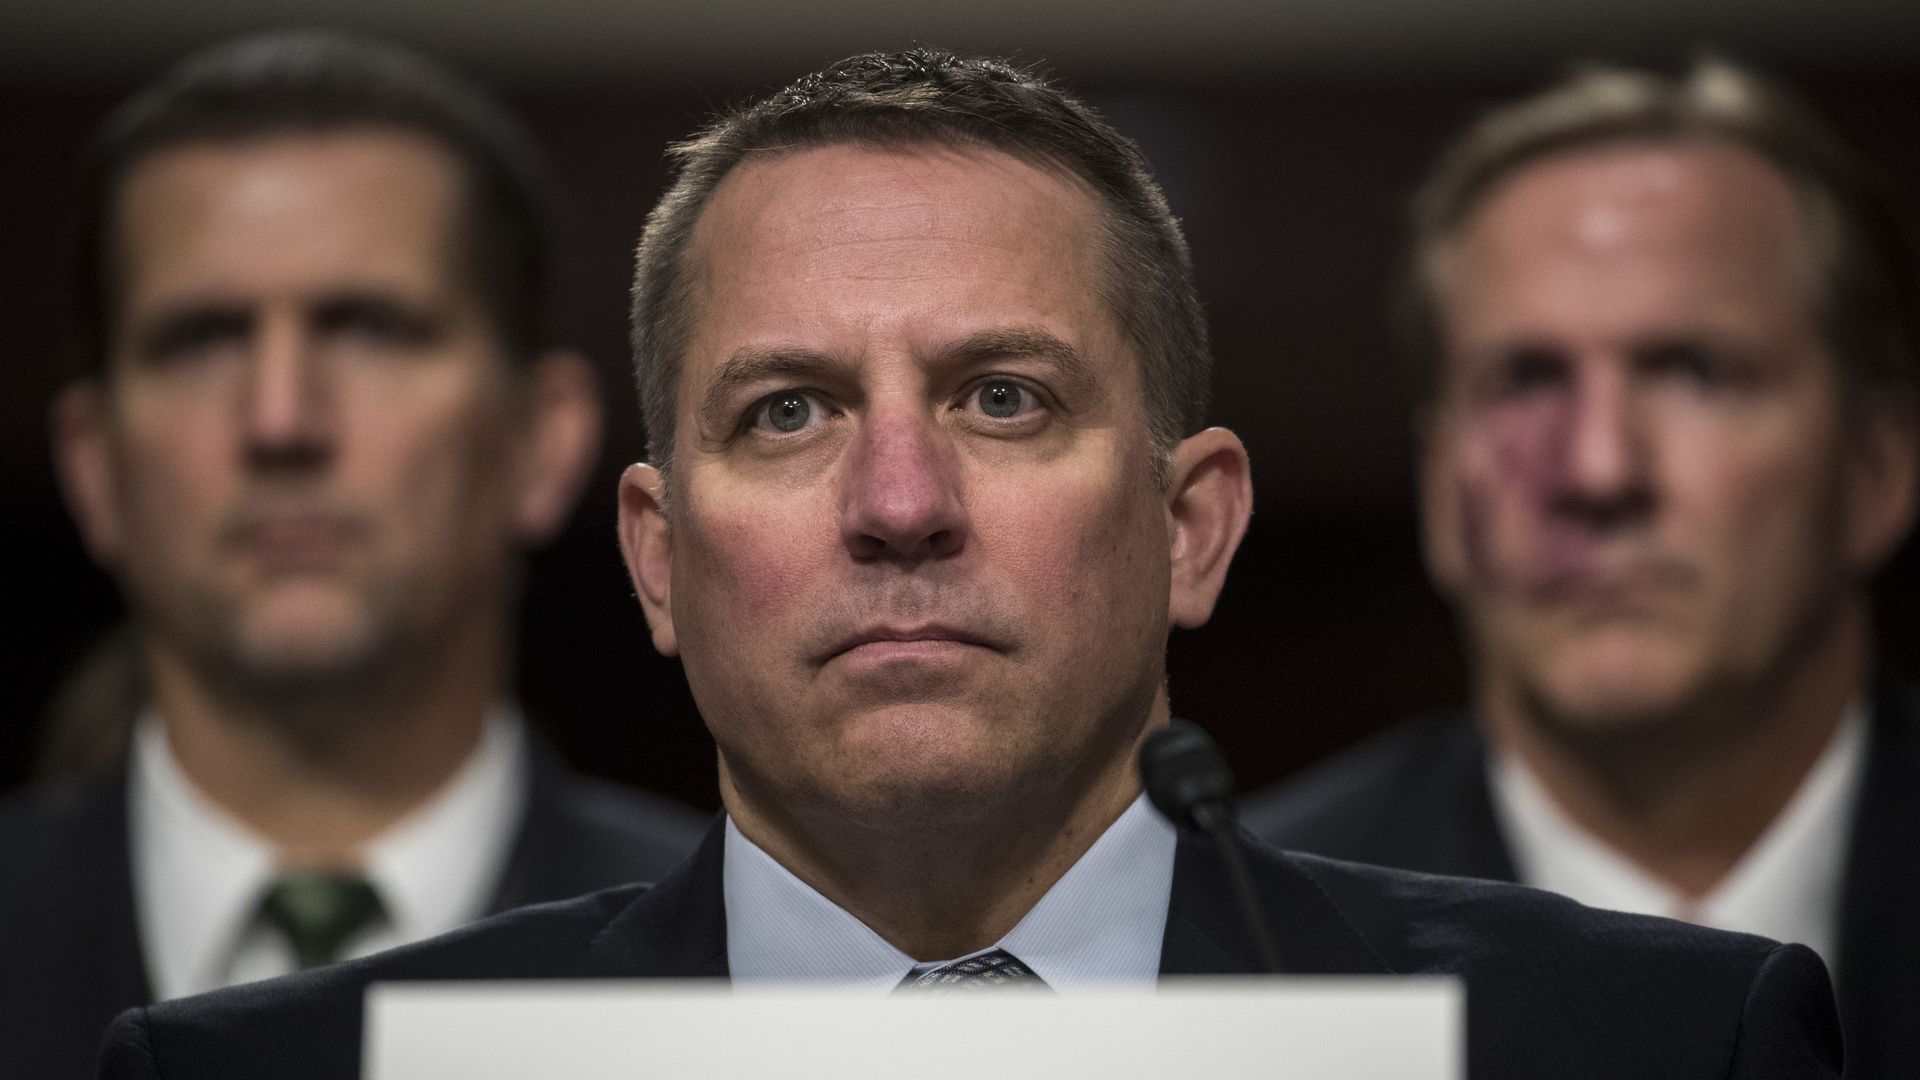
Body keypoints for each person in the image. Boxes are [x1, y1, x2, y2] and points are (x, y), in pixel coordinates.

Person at [98, 49, 1839, 1080]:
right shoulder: (285, 1075)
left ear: (1189, 525)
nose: (901, 500)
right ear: (654, 558)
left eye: (1003, 399)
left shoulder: (1644, 1046)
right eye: (786, 414)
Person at [0, 31, 705, 1078]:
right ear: (94, 464)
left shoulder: (756, 969)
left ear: (541, 440)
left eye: (370, 328)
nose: (281, 419)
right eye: (201, 339)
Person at [1244, 58, 1920, 1078]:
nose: (1598, 471)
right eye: (1524, 381)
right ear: (1439, 486)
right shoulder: (1238, 947)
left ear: (1875, 467)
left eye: (1696, 371)